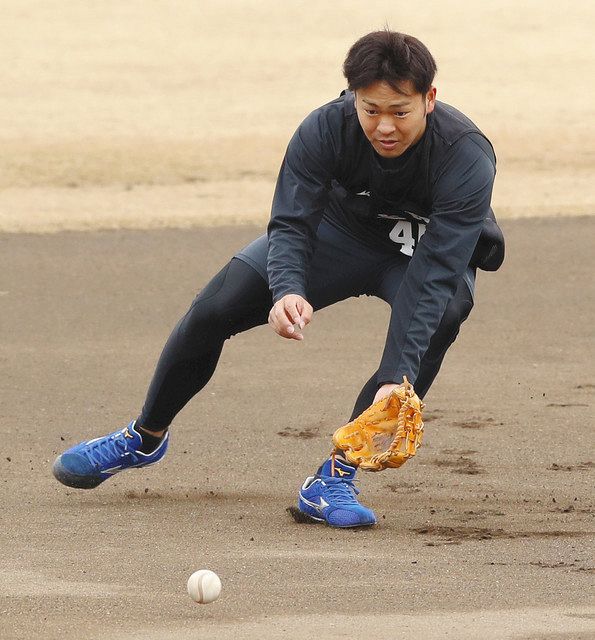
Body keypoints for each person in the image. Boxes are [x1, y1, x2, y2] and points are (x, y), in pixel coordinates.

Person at [53, 30, 504, 528]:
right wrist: (288, 286)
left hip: (419, 250)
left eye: (400, 111)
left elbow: (437, 269)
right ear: (353, 98)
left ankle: (334, 477)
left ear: (429, 99)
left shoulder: (465, 154)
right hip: (341, 231)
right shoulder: (325, 127)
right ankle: (144, 437)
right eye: (371, 109)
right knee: (215, 307)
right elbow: (291, 222)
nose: (384, 126)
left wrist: (398, 373)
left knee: (439, 317)